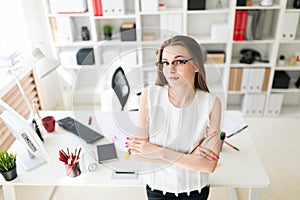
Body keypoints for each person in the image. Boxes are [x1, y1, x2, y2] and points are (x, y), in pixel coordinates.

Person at [127, 35, 222, 200]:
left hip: (196, 191)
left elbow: (209, 165)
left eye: (179, 61)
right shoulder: (150, 96)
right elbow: (138, 154)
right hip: (158, 190)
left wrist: (157, 151)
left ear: (196, 65)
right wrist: (191, 158)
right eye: (165, 62)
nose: (170, 69)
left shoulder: (211, 102)